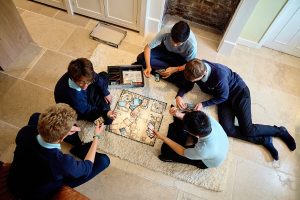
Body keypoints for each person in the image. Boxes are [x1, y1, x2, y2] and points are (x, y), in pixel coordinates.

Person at [176, 58, 297, 160]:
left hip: (239, 94)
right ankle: (263, 140)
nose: (193, 83)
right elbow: (189, 83)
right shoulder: (196, 66)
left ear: (202, 74)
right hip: (222, 97)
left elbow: (224, 96)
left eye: (195, 81)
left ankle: (280, 131)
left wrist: (204, 104)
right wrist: (179, 96)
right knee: (228, 130)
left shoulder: (219, 76)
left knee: (248, 130)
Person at [8, 103, 110, 199]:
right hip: (35, 195)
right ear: (62, 138)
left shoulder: (25, 131)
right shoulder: (62, 163)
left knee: (34, 116)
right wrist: (96, 136)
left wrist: (63, 132)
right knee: (104, 161)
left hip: (14, 182)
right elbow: (87, 168)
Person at [153, 106, 229, 169]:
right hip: (218, 144)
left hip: (204, 161)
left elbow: (182, 151)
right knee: (182, 119)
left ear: (195, 135)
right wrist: (178, 114)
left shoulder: (203, 150)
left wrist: (163, 138)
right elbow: (190, 117)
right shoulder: (207, 119)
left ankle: (169, 157)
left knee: (165, 151)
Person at [134, 21, 197, 87]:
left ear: (185, 40)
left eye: (178, 43)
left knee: (188, 81)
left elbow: (190, 64)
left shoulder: (192, 45)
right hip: (165, 51)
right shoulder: (166, 31)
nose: (175, 45)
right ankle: (161, 69)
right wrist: (148, 66)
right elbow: (148, 48)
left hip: (179, 59)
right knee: (141, 58)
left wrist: (175, 69)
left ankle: (159, 69)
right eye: (173, 40)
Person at [54, 58, 116, 124]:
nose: (85, 85)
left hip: (85, 95)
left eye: (88, 82)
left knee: (104, 75)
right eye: (82, 82)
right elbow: (87, 111)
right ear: (73, 79)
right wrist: (106, 112)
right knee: (108, 119)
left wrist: (106, 93)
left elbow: (96, 77)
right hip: (79, 109)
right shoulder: (74, 96)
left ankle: (102, 101)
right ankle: (103, 105)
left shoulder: (83, 73)